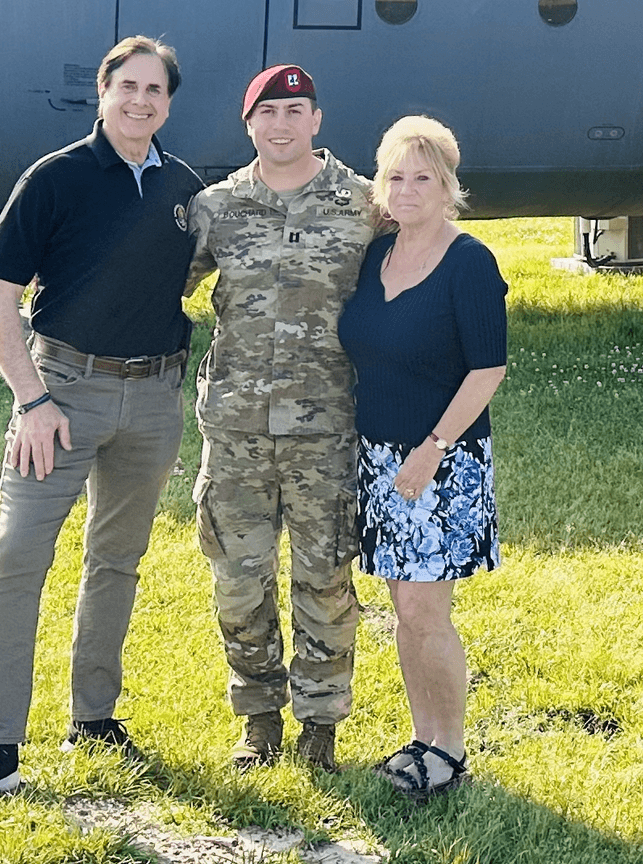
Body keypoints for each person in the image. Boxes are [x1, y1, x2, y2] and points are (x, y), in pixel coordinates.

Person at [0, 35, 204, 805]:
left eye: (156, 90)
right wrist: (32, 400)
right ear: (103, 90)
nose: (142, 101)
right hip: (62, 394)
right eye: (129, 86)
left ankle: (93, 716)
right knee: (17, 556)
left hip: (154, 399)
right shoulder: (52, 179)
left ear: (168, 103)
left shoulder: (184, 190)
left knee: (116, 558)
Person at [185, 64, 374, 772]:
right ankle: (258, 719)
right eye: (268, 111)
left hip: (328, 427)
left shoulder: (363, 203)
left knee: (325, 577)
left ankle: (321, 725)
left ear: (317, 121)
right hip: (234, 428)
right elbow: (158, 284)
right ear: (249, 125)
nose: (282, 123)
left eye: (296, 109)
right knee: (238, 578)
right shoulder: (217, 208)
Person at [338, 115, 508, 802]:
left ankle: (452, 750)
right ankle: (422, 736)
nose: (407, 190)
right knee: (403, 609)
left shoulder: (469, 261)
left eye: (423, 178)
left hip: (442, 461)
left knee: (425, 610)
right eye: (395, 177)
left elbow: (487, 369)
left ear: (448, 187)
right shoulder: (375, 254)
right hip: (377, 457)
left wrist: (431, 450)